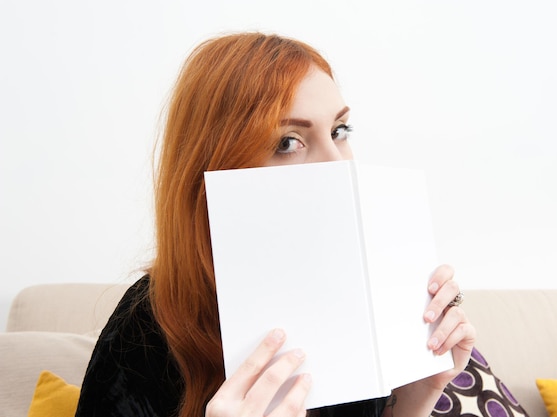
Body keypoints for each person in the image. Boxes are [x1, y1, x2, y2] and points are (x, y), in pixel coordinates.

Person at [74, 32, 476, 417]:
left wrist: (414, 400)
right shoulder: (145, 329)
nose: (337, 164)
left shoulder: (359, 292)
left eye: (339, 131)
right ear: (215, 166)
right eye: (288, 142)